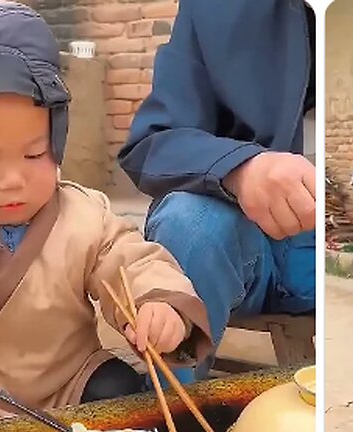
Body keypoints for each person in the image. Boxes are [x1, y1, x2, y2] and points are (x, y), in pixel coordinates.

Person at [0, 2, 210, 432]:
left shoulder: (83, 213)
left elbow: (129, 260)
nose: (13, 180)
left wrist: (157, 302)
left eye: (34, 153)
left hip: (71, 387)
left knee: (124, 397)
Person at [119, 0, 317, 381]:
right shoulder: (212, 8)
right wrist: (241, 168)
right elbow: (153, 141)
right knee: (188, 223)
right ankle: (171, 423)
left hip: (327, 254)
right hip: (255, 240)